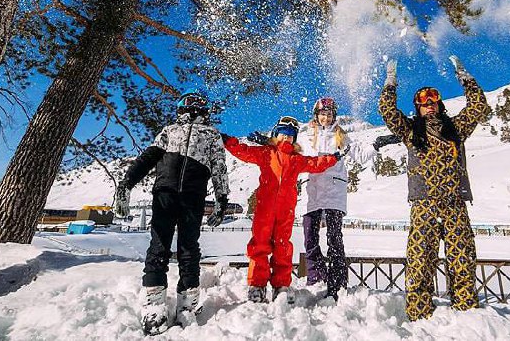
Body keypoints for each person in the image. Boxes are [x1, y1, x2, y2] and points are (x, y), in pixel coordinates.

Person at [377, 55, 490, 321]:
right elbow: (387, 111)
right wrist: (390, 82)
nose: (428, 104)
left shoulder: (456, 129)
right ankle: (419, 314)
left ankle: (466, 312)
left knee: (462, 259)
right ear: (416, 108)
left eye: (433, 100)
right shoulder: (410, 131)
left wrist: (464, 76)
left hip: (454, 204)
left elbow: (478, 105)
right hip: (423, 205)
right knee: (419, 260)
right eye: (422, 102)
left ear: (439, 103)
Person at [113, 91, 229, 335]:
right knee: (159, 245)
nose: (192, 110)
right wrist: (126, 183)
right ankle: (154, 303)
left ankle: (188, 303)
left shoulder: (211, 135)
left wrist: (222, 197)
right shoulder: (169, 131)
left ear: (205, 111)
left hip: (193, 196)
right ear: (180, 109)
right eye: (188, 105)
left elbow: (219, 167)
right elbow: (148, 157)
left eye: (197, 106)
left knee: (189, 247)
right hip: (164, 192)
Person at [222, 116, 341, 304]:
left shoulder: (296, 159)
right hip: (264, 210)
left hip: (285, 213)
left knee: (282, 247)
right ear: (275, 135)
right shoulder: (265, 153)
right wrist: (228, 141)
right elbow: (243, 151)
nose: (286, 138)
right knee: (259, 245)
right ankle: (257, 286)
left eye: (290, 135)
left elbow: (315, 164)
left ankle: (281, 286)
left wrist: (333, 158)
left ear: (294, 139)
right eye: (283, 134)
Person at [297, 97, 374, 300]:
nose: (326, 117)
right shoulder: (305, 136)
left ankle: (338, 281)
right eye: (323, 113)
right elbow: (291, 155)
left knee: (334, 238)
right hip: (311, 192)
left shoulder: (341, 136)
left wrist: (376, 145)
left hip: (334, 192)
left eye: (330, 114)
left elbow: (360, 155)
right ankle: (316, 277)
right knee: (310, 237)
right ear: (316, 115)